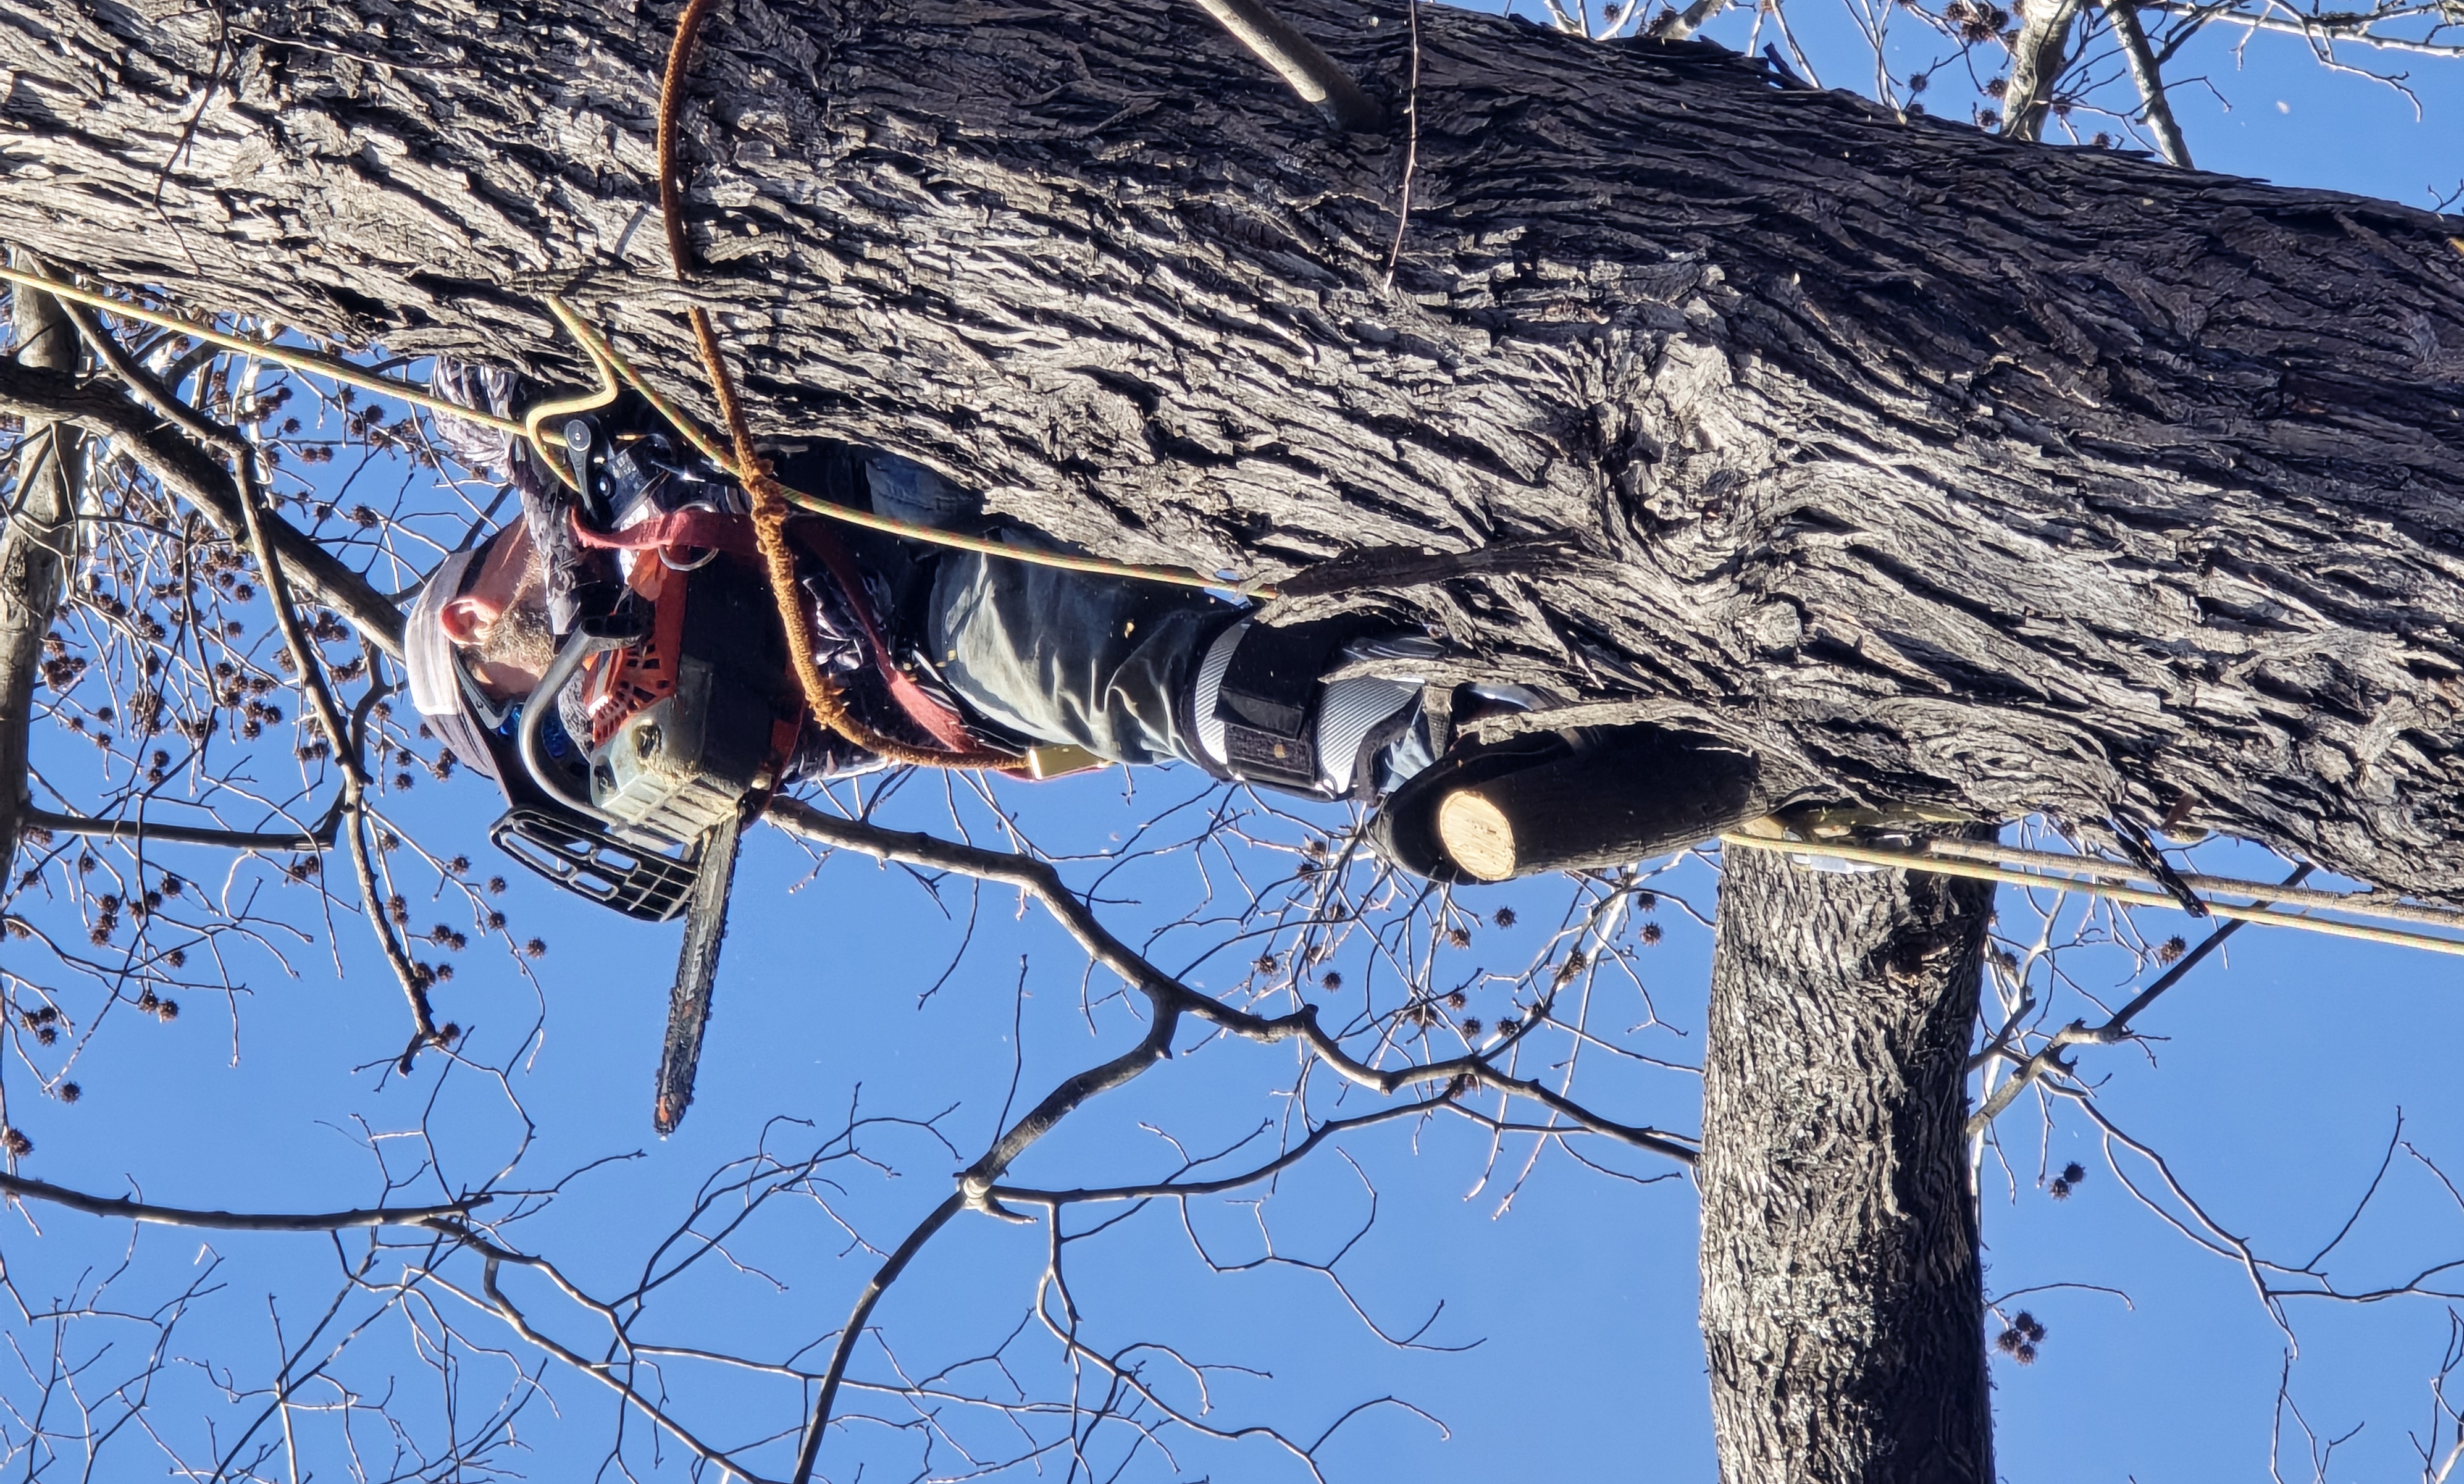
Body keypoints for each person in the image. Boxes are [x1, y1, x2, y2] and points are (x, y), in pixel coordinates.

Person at [403, 363, 1756, 892]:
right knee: (1125, 671)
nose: (542, 650)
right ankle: (1418, 746)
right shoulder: (615, 657)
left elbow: (526, 405)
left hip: (934, 419)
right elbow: (707, 685)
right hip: (935, 614)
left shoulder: (589, 456)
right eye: (515, 662)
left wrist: (524, 423)